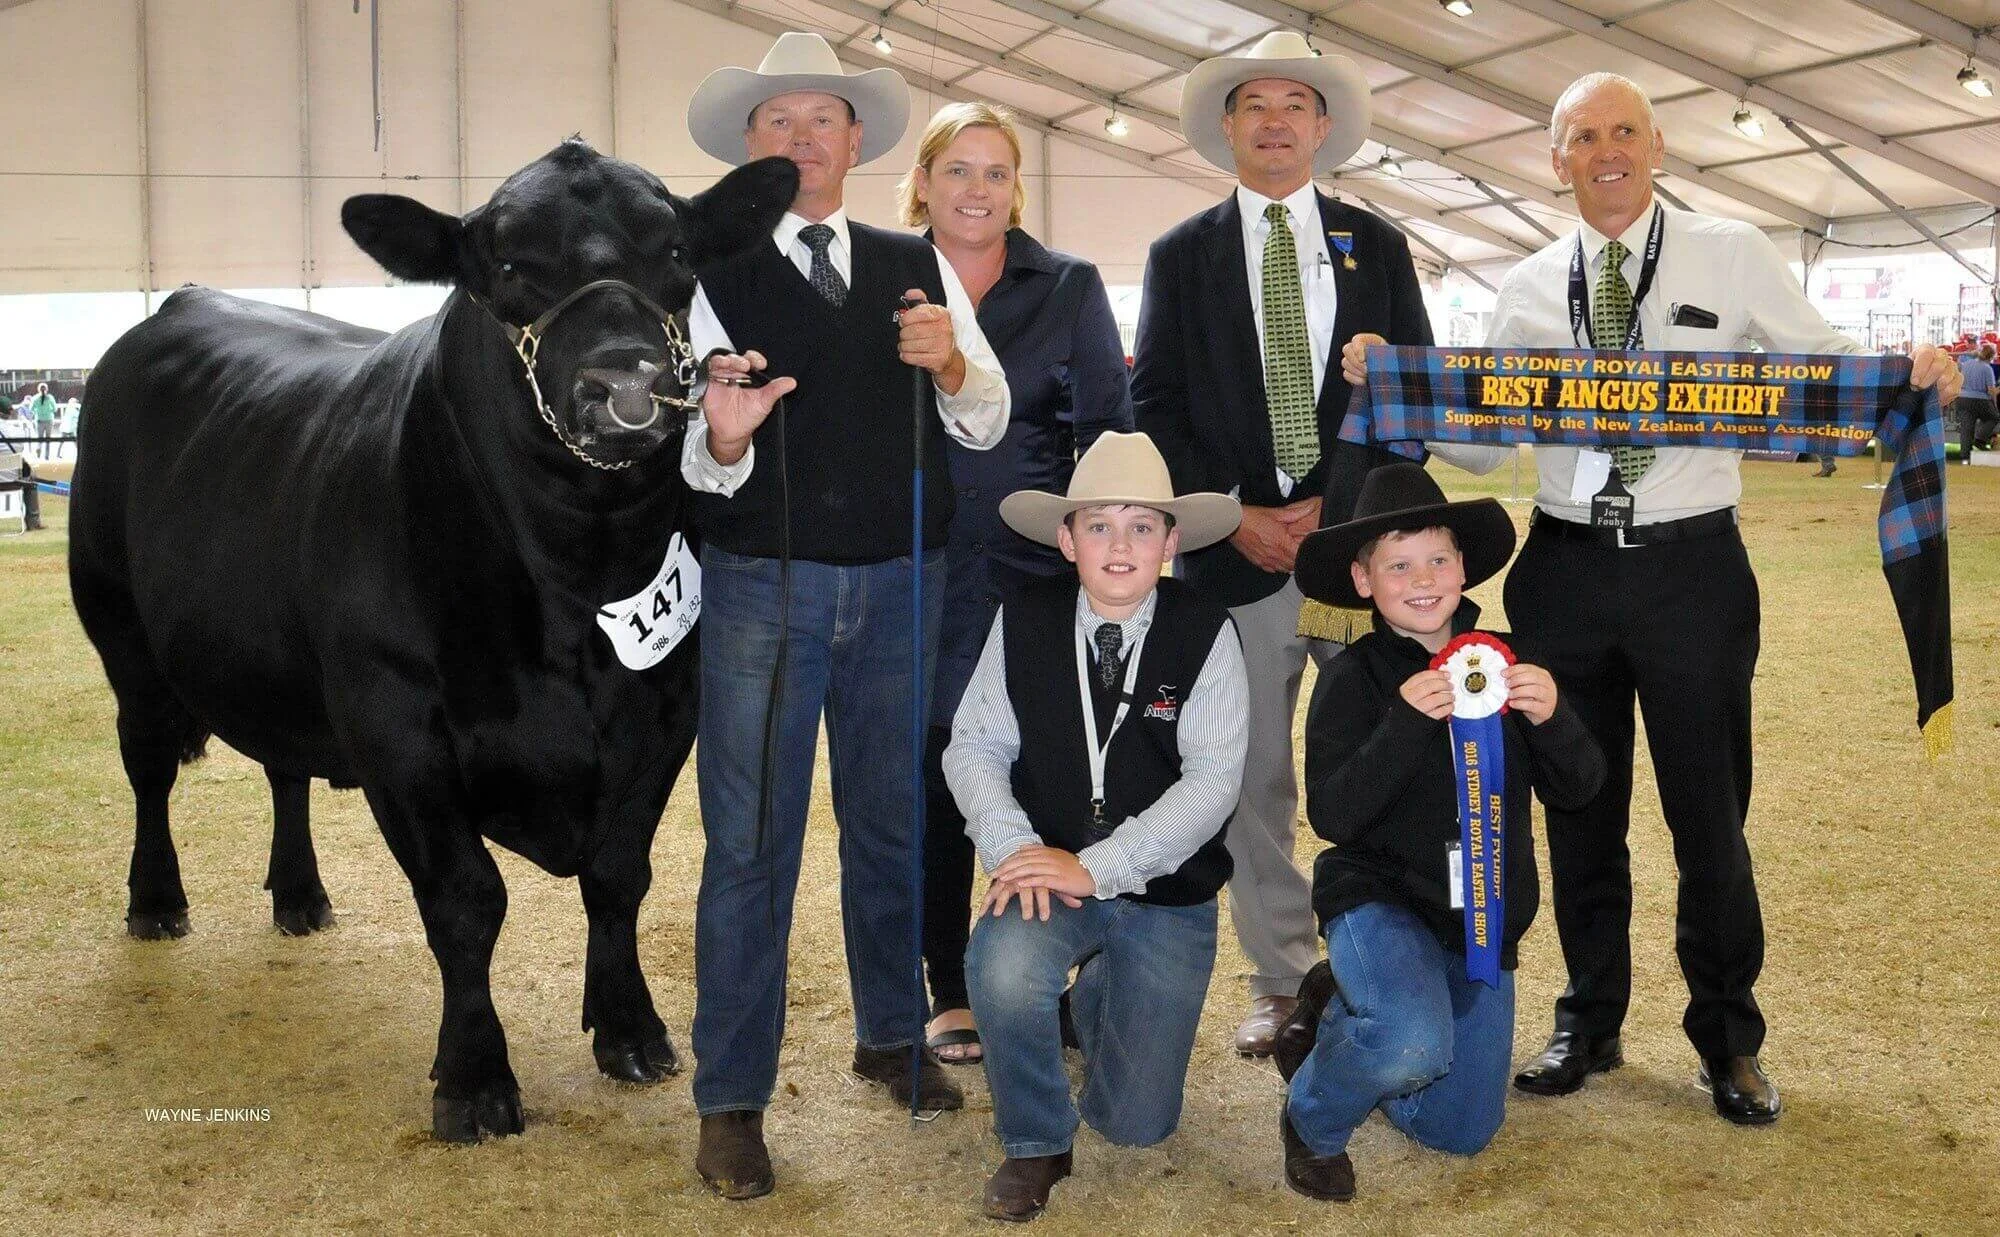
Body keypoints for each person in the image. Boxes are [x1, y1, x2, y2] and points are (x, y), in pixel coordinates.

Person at [1356, 71, 1962, 1125]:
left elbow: (1819, 364)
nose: (1604, 150)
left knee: (1707, 819)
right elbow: (1487, 436)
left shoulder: (1730, 252)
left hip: (1692, 570)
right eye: (1580, 134)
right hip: (1563, 567)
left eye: (1622, 130)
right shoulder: (1530, 284)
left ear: (1656, 147)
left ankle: (1726, 1037)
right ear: (1554, 162)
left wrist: (1910, 365)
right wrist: (1398, 386)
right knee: (1577, 806)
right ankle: (1588, 1021)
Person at [678, 31, 1012, 1199]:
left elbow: (984, 419)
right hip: (761, 586)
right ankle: (730, 1097)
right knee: (751, 846)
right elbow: (695, 447)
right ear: (749, 146)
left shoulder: (912, 262)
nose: (802, 138)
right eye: (779, 122)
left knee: (889, 824)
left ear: (857, 142)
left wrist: (953, 369)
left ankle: (888, 1038)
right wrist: (724, 434)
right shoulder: (706, 272)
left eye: (823, 119)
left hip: (900, 581)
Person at [1131, 29, 1435, 1057]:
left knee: (1385, 759)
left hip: (1359, 555)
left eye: (1291, 105)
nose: (1271, 121)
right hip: (1235, 556)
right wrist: (1234, 511)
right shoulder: (1177, 254)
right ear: (1226, 128)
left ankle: (1384, 967)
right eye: (1251, 104)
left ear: (1321, 127)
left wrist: (1379, 391)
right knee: (1249, 774)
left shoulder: (1376, 246)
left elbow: (1421, 394)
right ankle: (1276, 977)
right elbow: (1152, 403)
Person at [1273, 462, 1604, 1201]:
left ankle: (1340, 1010)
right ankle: (1314, 1113)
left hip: (1483, 918)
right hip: (1379, 901)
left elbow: (1581, 789)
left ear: (1462, 567)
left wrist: (1553, 718)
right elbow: (1333, 814)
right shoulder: (1352, 678)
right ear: (1363, 581)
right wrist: (1404, 723)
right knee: (1412, 1042)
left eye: (1437, 558)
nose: (1421, 578)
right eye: (1397, 563)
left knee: (1460, 1129)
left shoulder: (1509, 662)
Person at [943, 431, 1246, 1222]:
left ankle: (1095, 998)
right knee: (1004, 966)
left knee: (1137, 1124)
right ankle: (1036, 1138)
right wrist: (1013, 849)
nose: (1121, 544)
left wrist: (1103, 864)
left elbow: (1214, 782)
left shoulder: (1209, 630)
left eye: (1143, 526)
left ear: (1172, 543)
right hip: (1051, 873)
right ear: (1066, 538)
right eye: (1100, 525)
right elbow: (973, 745)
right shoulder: (1022, 619)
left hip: (1166, 889)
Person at [895, 101, 1134, 1067]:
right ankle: (948, 984)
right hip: (912, 570)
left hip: (1039, 568)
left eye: (996, 172)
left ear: (1017, 189)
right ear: (922, 183)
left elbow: (1109, 430)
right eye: (958, 171)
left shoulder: (1068, 285)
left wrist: (1105, 554)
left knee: (1052, 771)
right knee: (935, 771)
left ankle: (1061, 971)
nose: (978, 190)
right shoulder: (882, 277)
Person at [0, 422, 46, 531]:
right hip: (14, 484)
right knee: (31, 482)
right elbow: (20, 449)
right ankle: (33, 522)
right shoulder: (16, 431)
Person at [1954, 342, 1995, 459]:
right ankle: (1980, 439)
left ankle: (1965, 459)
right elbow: (1991, 391)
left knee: (1966, 428)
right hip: (1980, 401)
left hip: (1962, 399)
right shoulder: (1987, 368)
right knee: (1994, 417)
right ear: (1991, 357)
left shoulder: (1966, 364)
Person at [26, 383, 58, 456]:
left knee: (39, 437)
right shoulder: (50, 398)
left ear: (38, 389)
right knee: (48, 438)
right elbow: (55, 409)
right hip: (49, 419)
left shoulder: (35, 398)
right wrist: (49, 410)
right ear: (47, 389)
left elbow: (31, 409)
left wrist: (37, 412)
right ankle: (47, 455)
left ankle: (39, 448)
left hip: (39, 420)